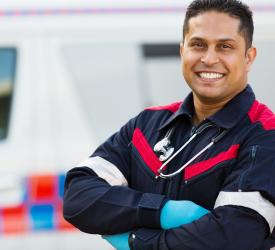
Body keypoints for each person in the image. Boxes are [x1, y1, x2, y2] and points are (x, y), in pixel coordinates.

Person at [63, 0, 275, 249]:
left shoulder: (265, 136)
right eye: (198, 45)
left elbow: (233, 235)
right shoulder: (146, 124)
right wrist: (162, 211)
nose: (208, 58)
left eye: (225, 47)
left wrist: (137, 242)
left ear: (249, 57)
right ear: (182, 51)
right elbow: (78, 196)